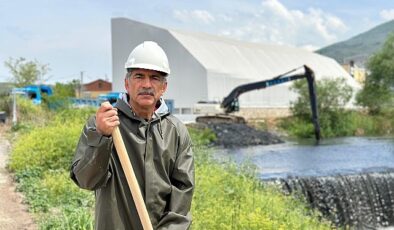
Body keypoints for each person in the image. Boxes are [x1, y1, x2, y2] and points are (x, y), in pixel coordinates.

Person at [70, 41, 195, 230]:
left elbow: (182, 192)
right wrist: (102, 137)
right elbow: (86, 180)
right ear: (127, 83)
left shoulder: (175, 131)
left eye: (154, 78)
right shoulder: (105, 125)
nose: (146, 84)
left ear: (164, 87)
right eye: (139, 76)